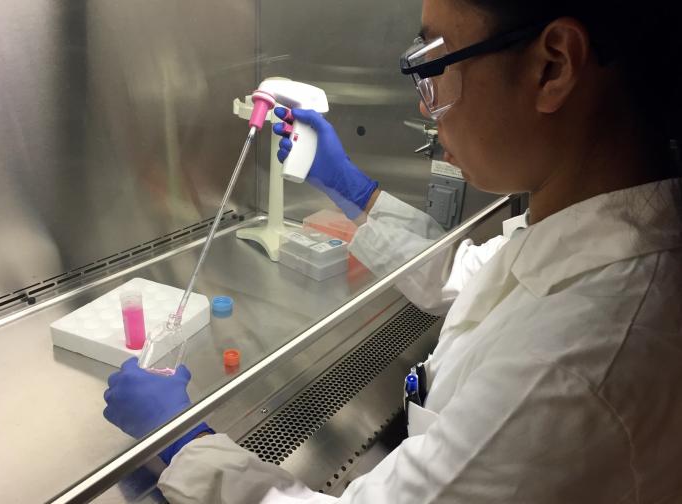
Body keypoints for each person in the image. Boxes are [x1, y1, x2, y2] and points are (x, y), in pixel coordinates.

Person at [103, 0, 682, 501]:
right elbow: (462, 277)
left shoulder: (584, 360)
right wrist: (350, 187)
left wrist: (181, 443)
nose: (428, 108)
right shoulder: (591, 233)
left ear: (552, 66)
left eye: (436, 64)